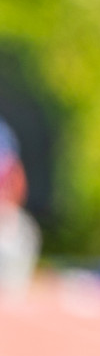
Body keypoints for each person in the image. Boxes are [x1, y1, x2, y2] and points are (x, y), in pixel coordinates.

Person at [0, 118, 40, 307]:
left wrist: (10, 207)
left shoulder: (3, 134)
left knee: (19, 233)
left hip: (4, 210)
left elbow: (15, 173)